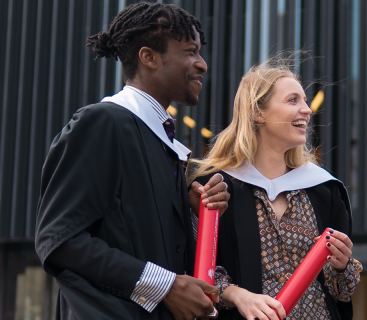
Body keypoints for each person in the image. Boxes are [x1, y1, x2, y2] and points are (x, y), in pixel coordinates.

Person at [35, 3, 231, 319]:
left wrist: (191, 213)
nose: (202, 64)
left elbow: (136, 238)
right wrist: (166, 286)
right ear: (148, 57)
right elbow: (60, 240)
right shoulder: (102, 123)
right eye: (190, 52)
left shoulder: (161, 140)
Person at [187, 55, 362, 320]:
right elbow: (198, 274)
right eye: (293, 100)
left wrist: (341, 266)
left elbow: (341, 292)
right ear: (257, 112)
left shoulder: (324, 190)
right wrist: (235, 294)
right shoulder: (217, 189)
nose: (307, 109)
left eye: (305, 100)